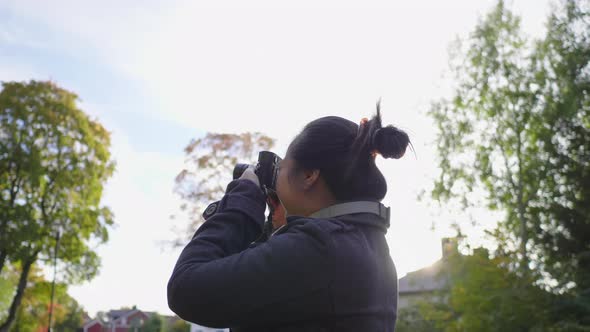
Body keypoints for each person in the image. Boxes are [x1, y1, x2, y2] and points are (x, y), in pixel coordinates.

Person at [167, 106, 411, 331]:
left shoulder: (320, 247)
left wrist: (243, 200)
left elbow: (186, 289)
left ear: (308, 175)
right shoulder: (368, 246)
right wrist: (274, 232)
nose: (277, 177)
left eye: (282, 168)